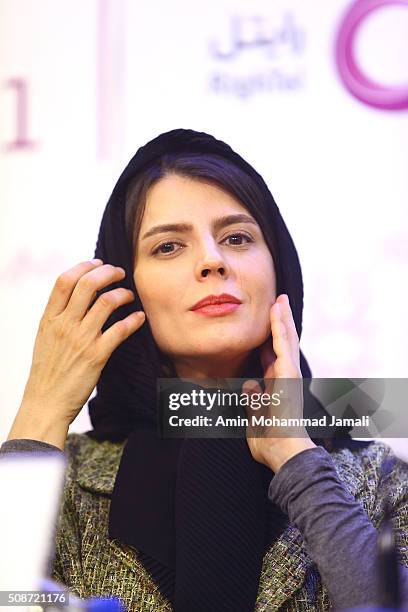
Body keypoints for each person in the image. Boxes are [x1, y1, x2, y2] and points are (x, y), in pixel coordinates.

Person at [1, 128, 408, 612]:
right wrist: (41, 410)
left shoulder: (379, 476)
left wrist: (297, 461)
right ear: (127, 287)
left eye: (237, 238)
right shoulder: (60, 481)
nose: (212, 261)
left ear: (280, 270)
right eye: (169, 247)